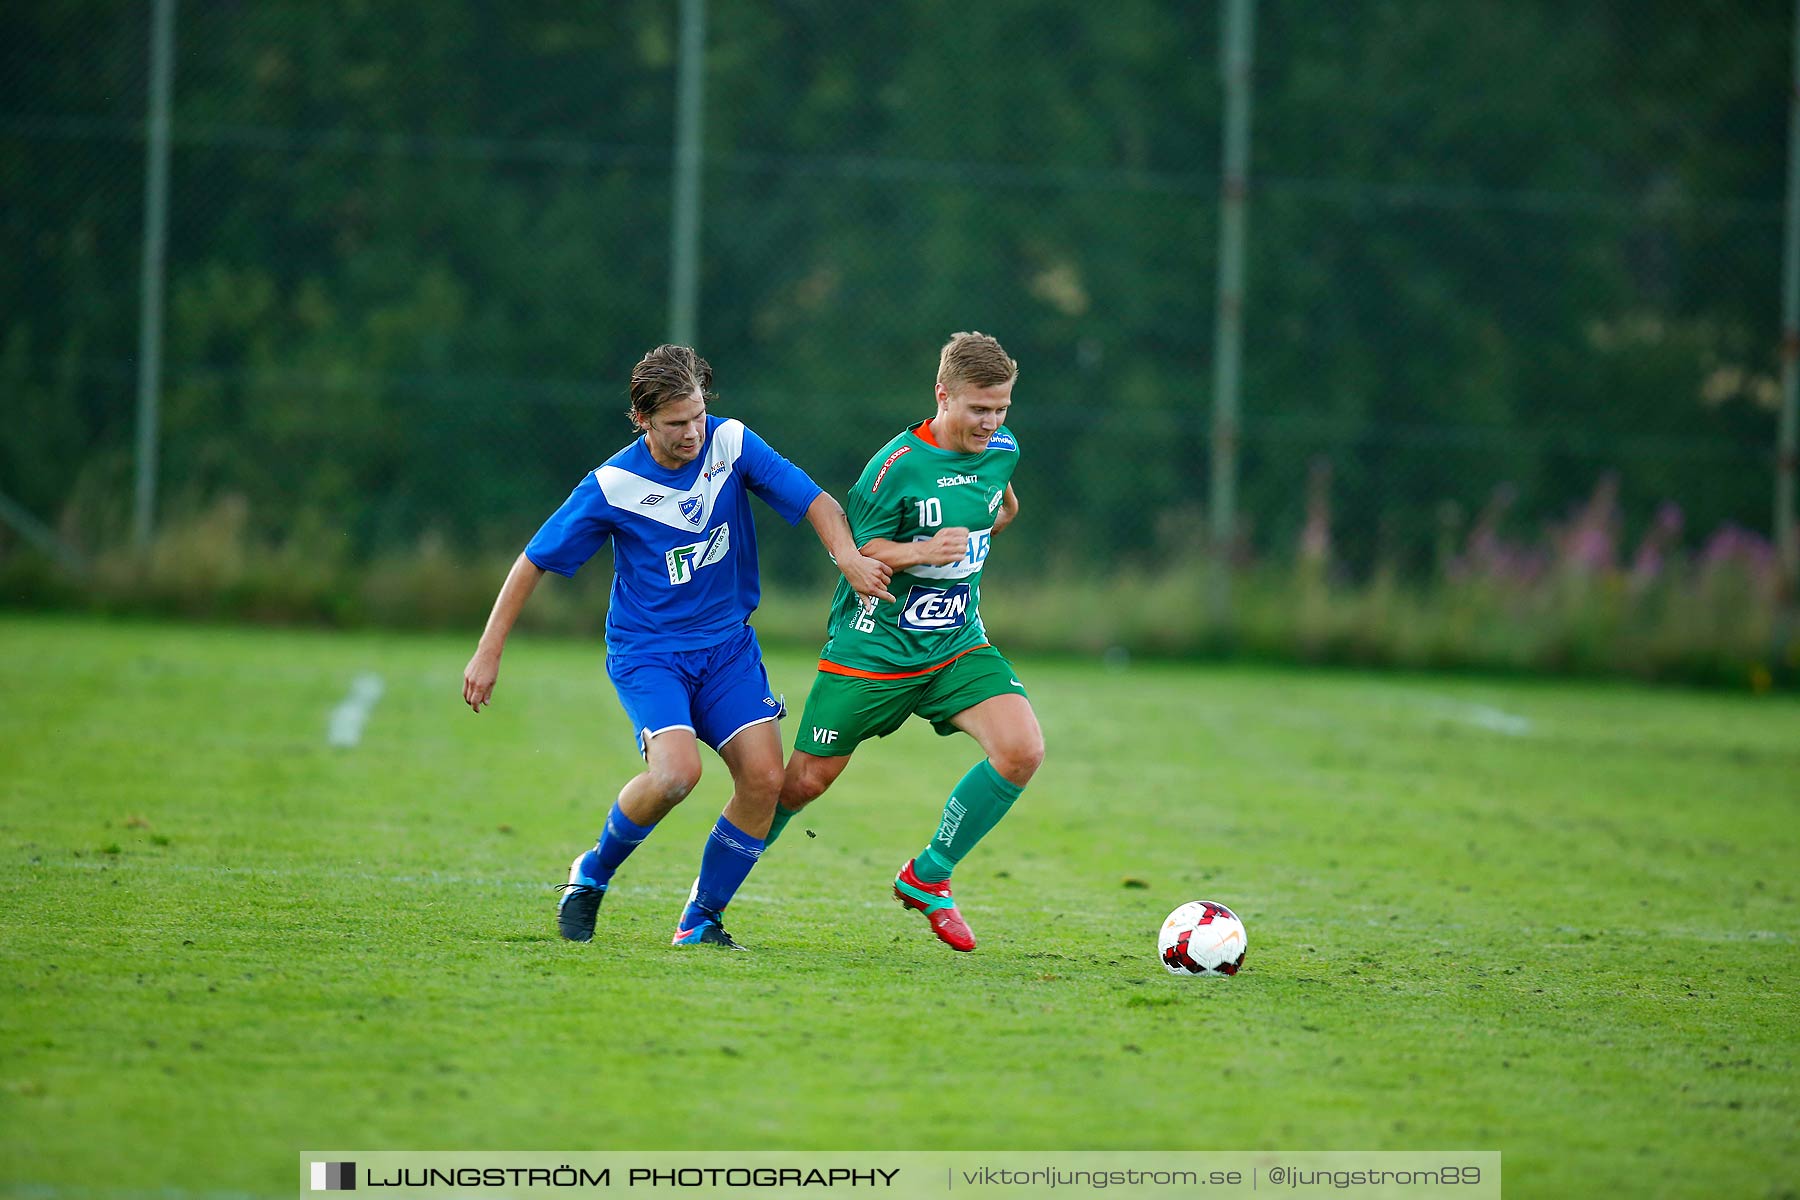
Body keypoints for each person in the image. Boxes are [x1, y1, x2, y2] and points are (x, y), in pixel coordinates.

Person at [462, 344, 892, 950]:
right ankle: (591, 874)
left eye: (697, 416)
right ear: (642, 420)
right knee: (675, 774)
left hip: (727, 650)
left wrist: (847, 558)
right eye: (674, 424)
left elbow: (815, 500)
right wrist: (489, 651)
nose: (692, 433)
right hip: (649, 653)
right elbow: (534, 560)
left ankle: (701, 919)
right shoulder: (613, 485)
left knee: (766, 779)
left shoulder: (732, 443)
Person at [769, 331, 1043, 952]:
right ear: (943, 396)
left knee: (1022, 749)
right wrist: (922, 550)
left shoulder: (1003, 449)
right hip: (874, 648)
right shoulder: (895, 465)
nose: (991, 422)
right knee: (803, 783)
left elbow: (1000, 504)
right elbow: (858, 550)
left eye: (1001, 408)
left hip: (955, 644)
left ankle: (929, 876)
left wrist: (989, 522)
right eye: (979, 409)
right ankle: (708, 902)